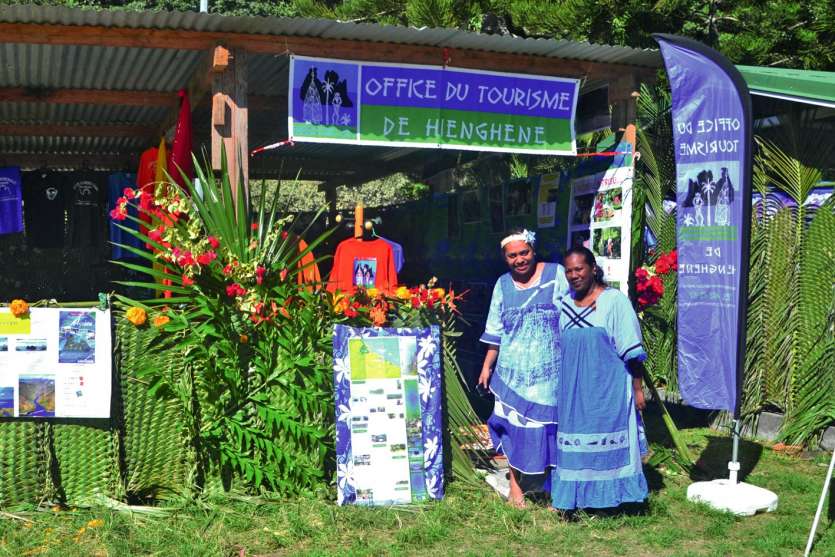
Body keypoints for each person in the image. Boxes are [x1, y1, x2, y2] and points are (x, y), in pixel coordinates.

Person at [551, 246, 649, 512]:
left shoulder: (615, 301)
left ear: (593, 268)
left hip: (608, 391)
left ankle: (615, 499)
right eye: (569, 271)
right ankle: (574, 500)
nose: (573, 275)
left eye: (579, 269)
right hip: (574, 393)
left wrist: (638, 389)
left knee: (610, 444)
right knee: (576, 448)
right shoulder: (564, 304)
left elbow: (631, 350)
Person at [478, 228, 569, 508]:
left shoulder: (557, 274)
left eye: (524, 252)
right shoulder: (502, 285)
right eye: (512, 256)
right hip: (512, 374)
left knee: (553, 431)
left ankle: (556, 491)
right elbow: (495, 330)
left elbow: (572, 316)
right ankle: (516, 489)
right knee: (514, 431)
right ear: (505, 259)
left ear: (533, 250)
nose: (519, 260)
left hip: (550, 375)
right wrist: (486, 367)